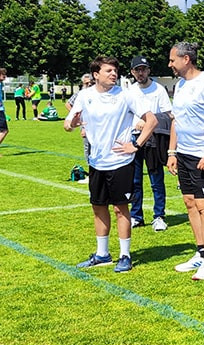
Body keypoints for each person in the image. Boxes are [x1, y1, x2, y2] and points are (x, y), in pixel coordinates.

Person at [64, 56, 157, 273]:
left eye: (115, 70)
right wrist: (72, 124)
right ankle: (102, 254)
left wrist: (135, 145)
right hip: (96, 162)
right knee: (98, 207)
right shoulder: (85, 95)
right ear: (96, 74)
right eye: (108, 71)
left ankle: (125, 255)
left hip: (120, 161)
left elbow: (151, 120)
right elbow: (68, 123)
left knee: (120, 208)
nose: (113, 74)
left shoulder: (126, 95)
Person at [166, 41, 204, 281]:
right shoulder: (180, 85)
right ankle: (201, 253)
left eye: (172, 60)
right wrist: (172, 152)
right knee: (190, 203)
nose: (169, 64)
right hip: (183, 153)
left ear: (186, 59)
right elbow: (176, 120)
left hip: (203, 155)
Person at [125, 56, 172, 232]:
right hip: (134, 139)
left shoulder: (158, 90)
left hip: (154, 140)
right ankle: (136, 216)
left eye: (143, 69)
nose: (141, 73)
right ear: (132, 72)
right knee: (135, 180)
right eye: (137, 70)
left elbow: (169, 114)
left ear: (149, 71)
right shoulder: (129, 91)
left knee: (156, 179)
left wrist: (147, 123)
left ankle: (159, 216)